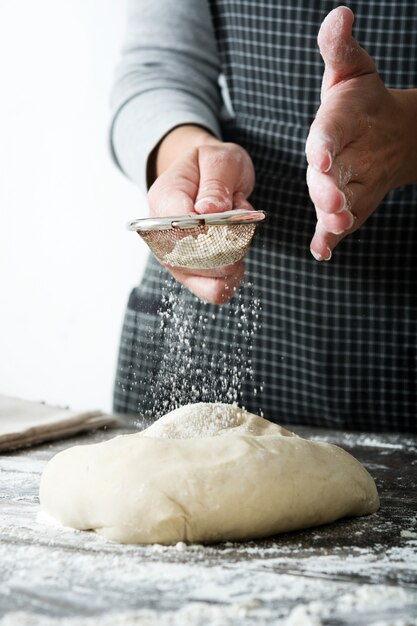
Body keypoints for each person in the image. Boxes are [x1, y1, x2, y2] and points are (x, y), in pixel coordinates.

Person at [110, 1, 417, 433]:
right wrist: (190, 156)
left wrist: (408, 135)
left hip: (399, 342)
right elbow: (159, 68)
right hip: (215, 311)